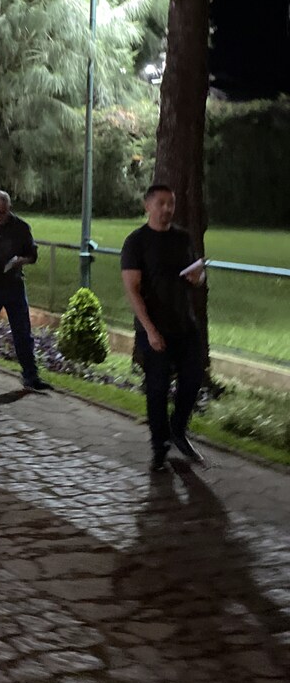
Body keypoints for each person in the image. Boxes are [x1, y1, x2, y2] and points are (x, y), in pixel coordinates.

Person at [121, 183, 206, 471]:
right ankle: (160, 447)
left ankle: (178, 429)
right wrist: (150, 330)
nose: (167, 209)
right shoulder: (136, 242)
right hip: (155, 328)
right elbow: (132, 289)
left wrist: (198, 277)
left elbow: (197, 276)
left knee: (192, 380)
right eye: (161, 203)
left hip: (185, 325)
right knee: (157, 389)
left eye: (171, 203)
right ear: (148, 206)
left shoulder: (183, 238)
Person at [0, 190, 51, 392]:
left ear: (8, 208)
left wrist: (22, 260)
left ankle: (30, 375)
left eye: (2, 212)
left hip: (13, 284)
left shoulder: (20, 227)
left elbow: (32, 254)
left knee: (22, 330)